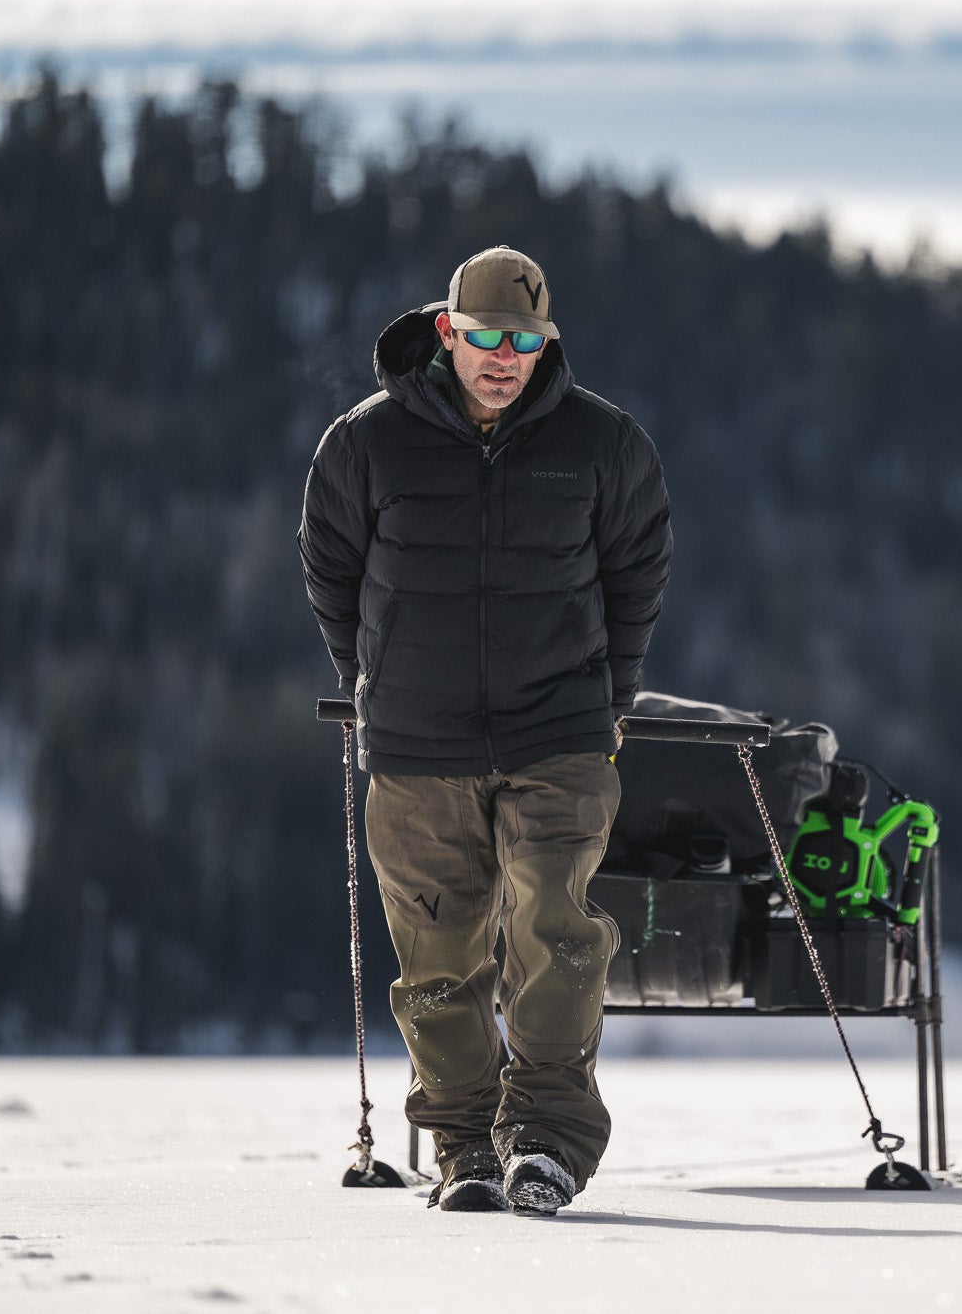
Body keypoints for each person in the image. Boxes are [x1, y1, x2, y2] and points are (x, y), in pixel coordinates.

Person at [298, 246, 672, 1215]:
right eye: (482, 338)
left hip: (560, 734)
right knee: (436, 964)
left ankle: (544, 1139)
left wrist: (610, 695)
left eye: (523, 340)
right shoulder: (364, 445)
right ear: (444, 332)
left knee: (558, 932)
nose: (502, 357)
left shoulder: (603, 444)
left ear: (544, 343)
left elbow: (636, 572)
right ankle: (463, 1144)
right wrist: (369, 680)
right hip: (417, 746)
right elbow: (329, 569)